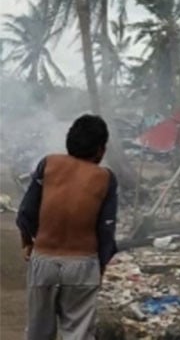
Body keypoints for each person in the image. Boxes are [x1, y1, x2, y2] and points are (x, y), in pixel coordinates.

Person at [16, 114, 119, 340]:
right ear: (101, 150)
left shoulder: (48, 164)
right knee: (78, 333)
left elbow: (25, 212)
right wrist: (100, 267)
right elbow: (106, 229)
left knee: (37, 332)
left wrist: (28, 242)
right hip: (82, 264)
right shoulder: (105, 178)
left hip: (44, 258)